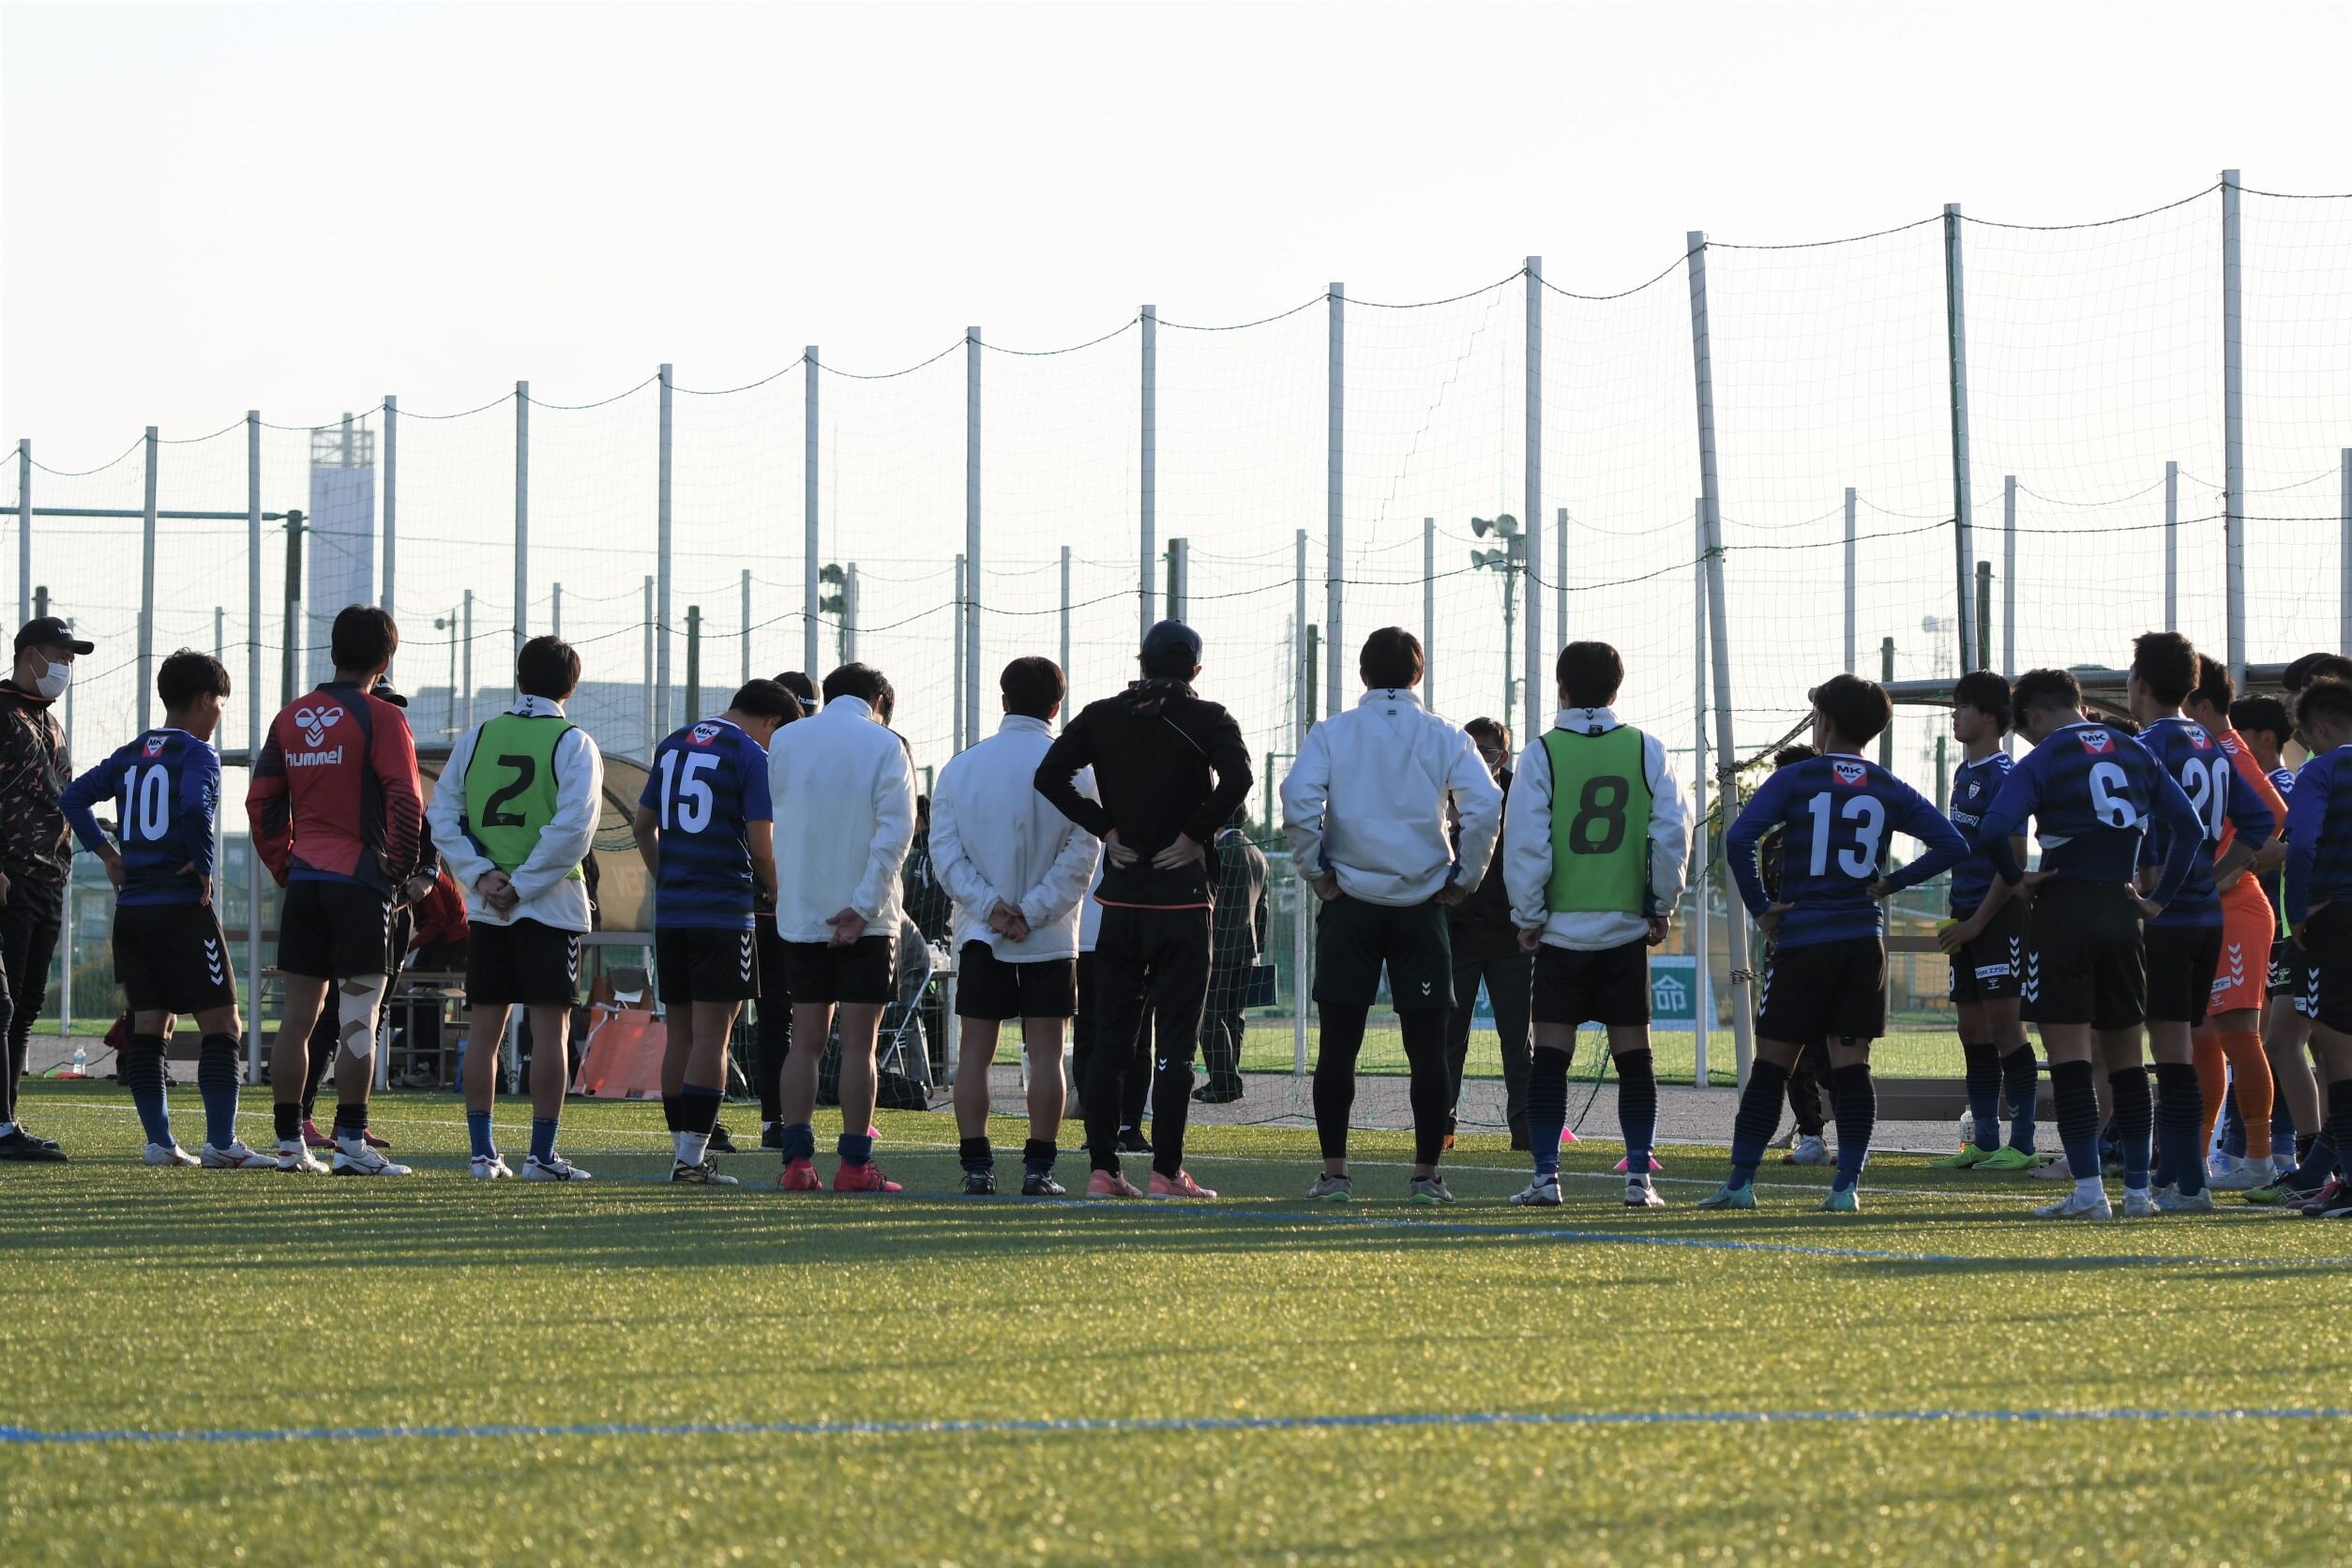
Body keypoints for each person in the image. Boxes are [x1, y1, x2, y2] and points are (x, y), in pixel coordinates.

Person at [1705, 674, 1968, 1214]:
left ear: (1823, 722)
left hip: (1804, 941)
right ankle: (1846, 1187)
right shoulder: (1888, 786)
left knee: (1772, 1064)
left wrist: (1761, 909)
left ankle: (1740, 1184)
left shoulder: (1798, 778)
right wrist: (1891, 883)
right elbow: (1951, 843)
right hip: (1860, 943)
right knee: (1852, 1068)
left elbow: (1738, 837)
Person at [1973, 666, 2202, 1220]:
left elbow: (1992, 828)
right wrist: (2159, 900)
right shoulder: (2134, 750)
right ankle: (2141, 1195)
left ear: (2029, 717)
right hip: (2124, 913)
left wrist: (2019, 879)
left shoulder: (2044, 757)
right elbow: (2190, 829)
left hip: (2063, 910)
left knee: (2071, 1059)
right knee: (2127, 1061)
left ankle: (2088, 1190)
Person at [1035, 619, 1252, 1199]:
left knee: (1111, 1038)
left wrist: (1105, 828)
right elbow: (1240, 777)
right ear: (1196, 671)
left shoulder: (1104, 714)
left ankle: (1103, 1170)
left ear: (1142, 660)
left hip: (1121, 901)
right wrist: (1195, 834)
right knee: (1177, 1042)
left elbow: (1050, 776)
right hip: (1182, 901)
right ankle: (1165, 1171)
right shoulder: (1209, 717)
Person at [1283, 627, 1500, 1204]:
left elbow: (1298, 798)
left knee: (1338, 1045)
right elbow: (1485, 805)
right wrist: (1466, 878)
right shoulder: (1445, 735)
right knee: (1428, 1048)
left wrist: (1316, 871)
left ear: (1361, 675)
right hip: (1421, 904)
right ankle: (1426, 1176)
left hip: (1349, 902)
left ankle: (1334, 1174)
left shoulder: (1332, 731)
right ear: (1418, 675)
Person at [58, 649, 267, 1167]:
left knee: (149, 1025)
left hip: (132, 912)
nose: (220, 714)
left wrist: (108, 856)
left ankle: (159, 1143)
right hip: (180, 909)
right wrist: (203, 863)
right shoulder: (198, 754)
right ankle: (221, 1143)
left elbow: (72, 799)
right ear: (204, 700)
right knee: (223, 1025)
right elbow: (195, 806)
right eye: (221, 702)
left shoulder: (131, 753)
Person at [1499, 641, 1689, 1209]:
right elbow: (1671, 834)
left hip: (1560, 932)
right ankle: (1638, 1180)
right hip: (1625, 932)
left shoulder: (1541, 753)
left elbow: (1527, 842)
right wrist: (1661, 904)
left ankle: (1546, 1179)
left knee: (1551, 1058)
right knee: (1635, 1057)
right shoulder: (1647, 749)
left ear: (1560, 687)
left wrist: (1528, 915)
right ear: (1617, 688)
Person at [247, 605, 423, 1175]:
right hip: (358, 882)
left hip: (305, 880)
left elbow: (262, 800)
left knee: (297, 1018)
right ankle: (350, 1143)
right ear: (386, 658)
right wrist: (397, 870)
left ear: (332, 650)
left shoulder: (291, 717)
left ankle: (288, 1146)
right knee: (357, 1017)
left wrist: (286, 865)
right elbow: (405, 798)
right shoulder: (382, 716)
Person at [425, 637, 602, 1182]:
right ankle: (541, 1157)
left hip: (488, 908)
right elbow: (574, 829)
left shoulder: (478, 736)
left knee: (485, 1030)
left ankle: (483, 1155)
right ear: (571, 687)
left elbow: (443, 814)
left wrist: (483, 878)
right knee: (551, 1032)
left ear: (519, 679)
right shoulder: (574, 742)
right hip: (548, 906)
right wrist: (522, 886)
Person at [930, 656, 1100, 1196]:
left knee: (975, 1052)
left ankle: (976, 1168)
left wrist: (992, 907)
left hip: (983, 933)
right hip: (1048, 936)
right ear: (1057, 706)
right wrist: (1034, 910)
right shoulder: (1078, 772)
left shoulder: (962, 767)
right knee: (1047, 1053)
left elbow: (945, 854)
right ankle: (1039, 1169)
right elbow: (1083, 850)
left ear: (1002, 700)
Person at [2126, 633, 2272, 1212]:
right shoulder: (2210, 744)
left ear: (2139, 684)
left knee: (2174, 1053)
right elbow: (2259, 822)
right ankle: (2174, 1175)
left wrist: (2159, 889)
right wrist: (2213, 877)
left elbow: (2145, 829)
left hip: (2169, 916)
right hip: (2208, 917)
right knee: (2189, 1044)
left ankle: (2190, 1181)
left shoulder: (2147, 746)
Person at [633, 680, 792, 1185]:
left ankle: (682, 1150)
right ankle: (691, 1159)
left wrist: (668, 878)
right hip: (723, 911)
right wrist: (776, 890)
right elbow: (761, 845)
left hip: (674, 910)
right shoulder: (750, 755)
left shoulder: (673, 742)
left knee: (679, 1032)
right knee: (714, 1035)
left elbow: (642, 825)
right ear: (771, 723)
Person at [768, 662, 917, 1193]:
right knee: (860, 1046)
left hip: (803, 912)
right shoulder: (885, 744)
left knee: (803, 1042)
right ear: (878, 700)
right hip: (869, 920)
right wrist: (862, 905)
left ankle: (796, 1163)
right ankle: (854, 1167)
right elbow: (896, 833)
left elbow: (778, 818)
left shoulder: (785, 740)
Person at [2182, 658, 2289, 1191]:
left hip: (2238, 910)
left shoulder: (2226, 747)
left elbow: (2273, 811)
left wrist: (2227, 874)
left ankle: (2261, 1159)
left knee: (2239, 1036)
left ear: (2202, 706)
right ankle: (2198, 1159)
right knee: (2202, 1038)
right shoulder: (2202, 749)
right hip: (2204, 911)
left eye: (2187, 706)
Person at [1931, 671, 2040, 1172]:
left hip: (1997, 919)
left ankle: (2022, 1142)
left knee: (2004, 1028)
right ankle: (1985, 1139)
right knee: (1970, 1029)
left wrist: (1977, 922)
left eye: (1961, 706)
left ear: (1990, 716)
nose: (1954, 714)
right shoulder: (1961, 774)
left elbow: (2013, 862)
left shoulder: (2005, 774)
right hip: (1965, 915)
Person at [0, 614, 89, 1162]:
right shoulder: (2, 711)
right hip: (8, 876)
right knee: (3, 1006)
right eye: (59, 655)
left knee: (26, 1005)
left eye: (71, 659)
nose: (66, 667)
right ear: (29, 654)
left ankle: (7, 1119)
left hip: (47, 879)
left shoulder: (48, 721)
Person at [1441, 717, 1534, 1149]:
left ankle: (1525, 1128)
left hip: (1510, 936)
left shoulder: (1522, 795)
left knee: (1518, 1039)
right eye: (1473, 751)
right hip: (1457, 933)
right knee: (1449, 1038)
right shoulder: (1443, 789)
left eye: (1490, 752)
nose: (1481, 760)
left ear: (1505, 755)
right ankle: (1441, 1127)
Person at [2279, 674, 2352, 1218]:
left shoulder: (2320, 771)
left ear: (2320, 729)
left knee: (2335, 1051)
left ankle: (2349, 1178)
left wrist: (2300, 913)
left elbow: (2301, 843)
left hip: (2338, 920)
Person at [1756, 745, 1833, 1168]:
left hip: (1831, 956)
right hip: (1784, 960)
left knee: (1833, 1053)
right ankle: (1811, 1136)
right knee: (1790, 1054)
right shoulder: (1773, 843)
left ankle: (1856, 1139)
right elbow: (1769, 901)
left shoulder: (1835, 833)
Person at [752, 670, 816, 1149]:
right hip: (773, 904)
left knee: (777, 1016)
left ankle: (777, 1118)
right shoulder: (765, 759)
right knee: (779, 1016)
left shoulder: (770, 756)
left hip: (766, 903)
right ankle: (776, 1120)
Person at [1197, 805, 1267, 1107]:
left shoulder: (1219, 852)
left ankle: (1226, 1082)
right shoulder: (1258, 855)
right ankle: (1225, 1078)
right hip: (1246, 949)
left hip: (1219, 946)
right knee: (1234, 1017)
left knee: (1209, 1018)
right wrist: (1259, 948)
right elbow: (1263, 909)